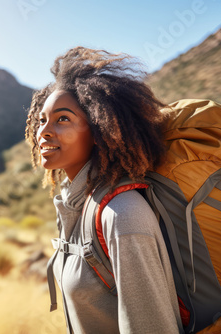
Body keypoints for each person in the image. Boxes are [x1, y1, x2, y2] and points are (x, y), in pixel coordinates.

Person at [25, 46, 182, 333]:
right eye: (42, 120)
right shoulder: (78, 204)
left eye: (62, 119)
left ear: (100, 131)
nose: (44, 131)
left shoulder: (122, 215)